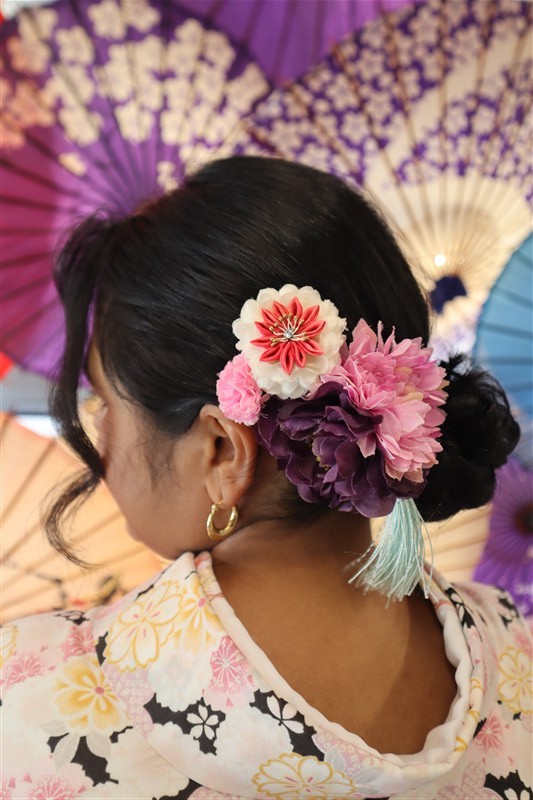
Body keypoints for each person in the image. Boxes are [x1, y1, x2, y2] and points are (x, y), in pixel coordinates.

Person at [1, 157, 530, 799]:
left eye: (104, 402)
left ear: (222, 451)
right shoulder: (517, 652)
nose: (99, 432)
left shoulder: (31, 695)